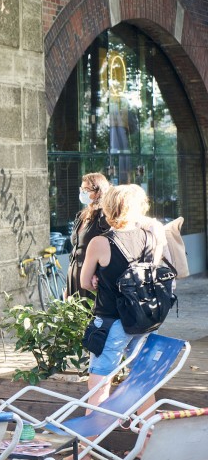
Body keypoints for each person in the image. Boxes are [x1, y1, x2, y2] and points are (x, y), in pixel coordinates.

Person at [79, 185, 164, 425]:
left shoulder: (100, 242)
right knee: (142, 382)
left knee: (99, 385)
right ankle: (146, 441)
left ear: (108, 208)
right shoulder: (150, 238)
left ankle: (87, 445)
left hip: (112, 322)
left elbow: (84, 282)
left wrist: (98, 280)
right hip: (144, 319)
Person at [66, 172, 110, 298]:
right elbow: (75, 249)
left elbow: (108, 249)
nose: (82, 193)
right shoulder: (81, 215)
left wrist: (98, 273)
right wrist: (67, 287)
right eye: (81, 189)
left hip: (91, 279)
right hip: (74, 275)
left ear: (98, 192)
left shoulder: (104, 217)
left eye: (86, 190)